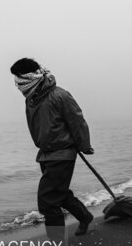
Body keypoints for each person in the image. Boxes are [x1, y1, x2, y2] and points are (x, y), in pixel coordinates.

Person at [10, 58, 94, 236]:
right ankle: (84, 216)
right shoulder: (31, 99)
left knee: (48, 201)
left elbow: (77, 121)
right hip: (45, 154)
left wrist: (84, 145)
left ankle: (55, 243)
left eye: (18, 79)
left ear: (29, 77)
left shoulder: (60, 95)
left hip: (62, 153)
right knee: (59, 194)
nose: (17, 84)